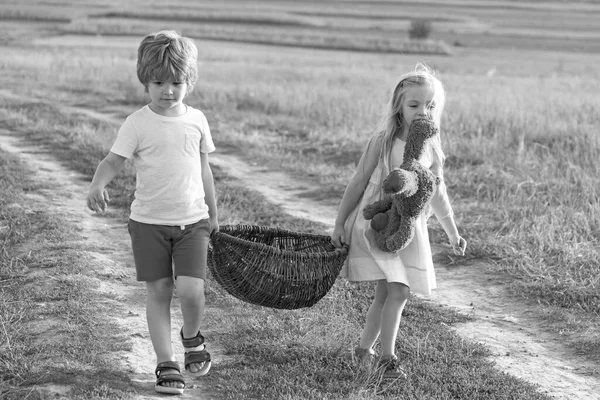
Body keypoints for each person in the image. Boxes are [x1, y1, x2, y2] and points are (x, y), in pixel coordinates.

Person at [86, 30, 218, 395]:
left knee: (191, 290)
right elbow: (113, 161)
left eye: (177, 82)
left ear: (189, 81)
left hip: (193, 221)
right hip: (147, 223)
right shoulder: (137, 123)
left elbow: (205, 169)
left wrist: (214, 215)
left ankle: (191, 337)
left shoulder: (197, 121)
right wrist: (98, 183)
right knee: (159, 291)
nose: (168, 90)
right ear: (145, 80)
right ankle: (166, 363)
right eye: (159, 82)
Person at [331, 63, 467, 379]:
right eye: (415, 104)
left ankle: (364, 350)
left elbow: (437, 192)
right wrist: (340, 223)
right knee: (399, 293)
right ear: (399, 106)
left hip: (409, 227)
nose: (423, 111)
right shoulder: (384, 140)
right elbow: (359, 181)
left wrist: (452, 232)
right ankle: (388, 359)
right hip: (380, 224)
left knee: (386, 294)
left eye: (431, 105)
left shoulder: (432, 146)